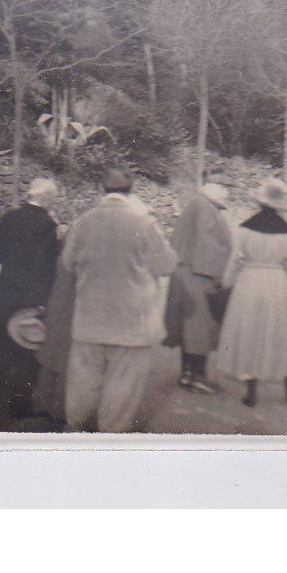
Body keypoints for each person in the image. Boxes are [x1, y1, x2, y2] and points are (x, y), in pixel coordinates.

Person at [61, 165, 177, 433]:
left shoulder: (83, 222)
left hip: (89, 320)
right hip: (130, 324)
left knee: (83, 381)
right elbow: (166, 265)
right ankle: (110, 437)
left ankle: (74, 429)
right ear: (131, 189)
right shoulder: (144, 223)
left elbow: (68, 263)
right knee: (122, 387)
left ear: (103, 189)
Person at [218, 177, 287, 408]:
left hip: (250, 281)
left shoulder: (245, 229)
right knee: (280, 333)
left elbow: (235, 260)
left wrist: (226, 284)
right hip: (277, 283)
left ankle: (252, 390)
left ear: (259, 203)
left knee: (251, 333)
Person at [0, 177, 61, 421]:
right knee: (28, 351)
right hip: (32, 295)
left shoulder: (10, 217)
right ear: (46, 198)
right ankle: (21, 404)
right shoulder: (47, 224)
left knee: (0, 349)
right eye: (53, 198)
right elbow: (49, 266)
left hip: (7, 291)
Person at [163, 165, 233, 393]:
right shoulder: (205, 208)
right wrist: (222, 274)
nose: (227, 193)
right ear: (211, 188)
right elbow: (207, 244)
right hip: (198, 275)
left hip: (186, 271)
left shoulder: (198, 205)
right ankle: (197, 377)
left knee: (188, 328)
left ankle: (186, 374)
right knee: (201, 329)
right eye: (224, 188)